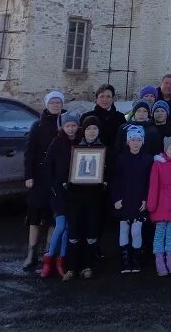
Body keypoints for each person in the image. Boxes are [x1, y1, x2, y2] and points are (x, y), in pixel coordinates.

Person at [62, 115, 108, 281]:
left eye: (95, 128)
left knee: (91, 231)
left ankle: (88, 266)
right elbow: (67, 169)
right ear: (83, 130)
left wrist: (104, 181)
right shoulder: (75, 148)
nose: (92, 132)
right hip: (76, 196)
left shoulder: (103, 149)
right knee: (74, 232)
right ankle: (72, 267)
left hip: (94, 197)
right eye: (88, 128)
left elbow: (107, 171)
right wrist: (68, 182)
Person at [22, 90, 63, 271]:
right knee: (35, 218)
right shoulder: (37, 125)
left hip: (57, 177)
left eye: (58, 102)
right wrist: (29, 176)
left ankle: (49, 253)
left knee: (53, 218)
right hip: (39, 177)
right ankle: (32, 253)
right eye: (52, 102)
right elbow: (29, 152)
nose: (55, 105)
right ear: (47, 104)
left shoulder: (65, 123)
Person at [39, 110, 79, 278]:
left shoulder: (79, 142)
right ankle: (49, 259)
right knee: (60, 226)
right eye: (67, 125)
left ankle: (61, 260)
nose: (70, 129)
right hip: (59, 191)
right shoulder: (57, 142)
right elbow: (47, 166)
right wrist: (53, 186)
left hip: (74, 191)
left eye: (73, 125)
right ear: (62, 126)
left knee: (68, 228)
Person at [111, 125, 153, 274]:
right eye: (133, 139)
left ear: (143, 142)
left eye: (138, 140)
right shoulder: (121, 158)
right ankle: (124, 259)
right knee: (124, 229)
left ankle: (136, 258)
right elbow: (115, 180)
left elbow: (150, 181)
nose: (135, 142)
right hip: (124, 199)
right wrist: (116, 198)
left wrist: (146, 199)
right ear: (128, 142)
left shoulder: (148, 159)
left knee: (136, 230)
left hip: (139, 200)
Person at [147, 136, 171, 276]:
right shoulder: (158, 164)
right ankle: (159, 260)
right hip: (161, 203)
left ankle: (170, 259)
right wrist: (152, 205)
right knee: (160, 233)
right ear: (165, 149)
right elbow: (153, 185)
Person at [88, 84, 127, 156]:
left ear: (112, 99)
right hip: (94, 156)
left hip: (114, 158)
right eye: (102, 96)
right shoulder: (87, 117)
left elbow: (124, 139)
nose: (105, 99)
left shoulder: (120, 117)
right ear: (96, 99)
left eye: (108, 96)